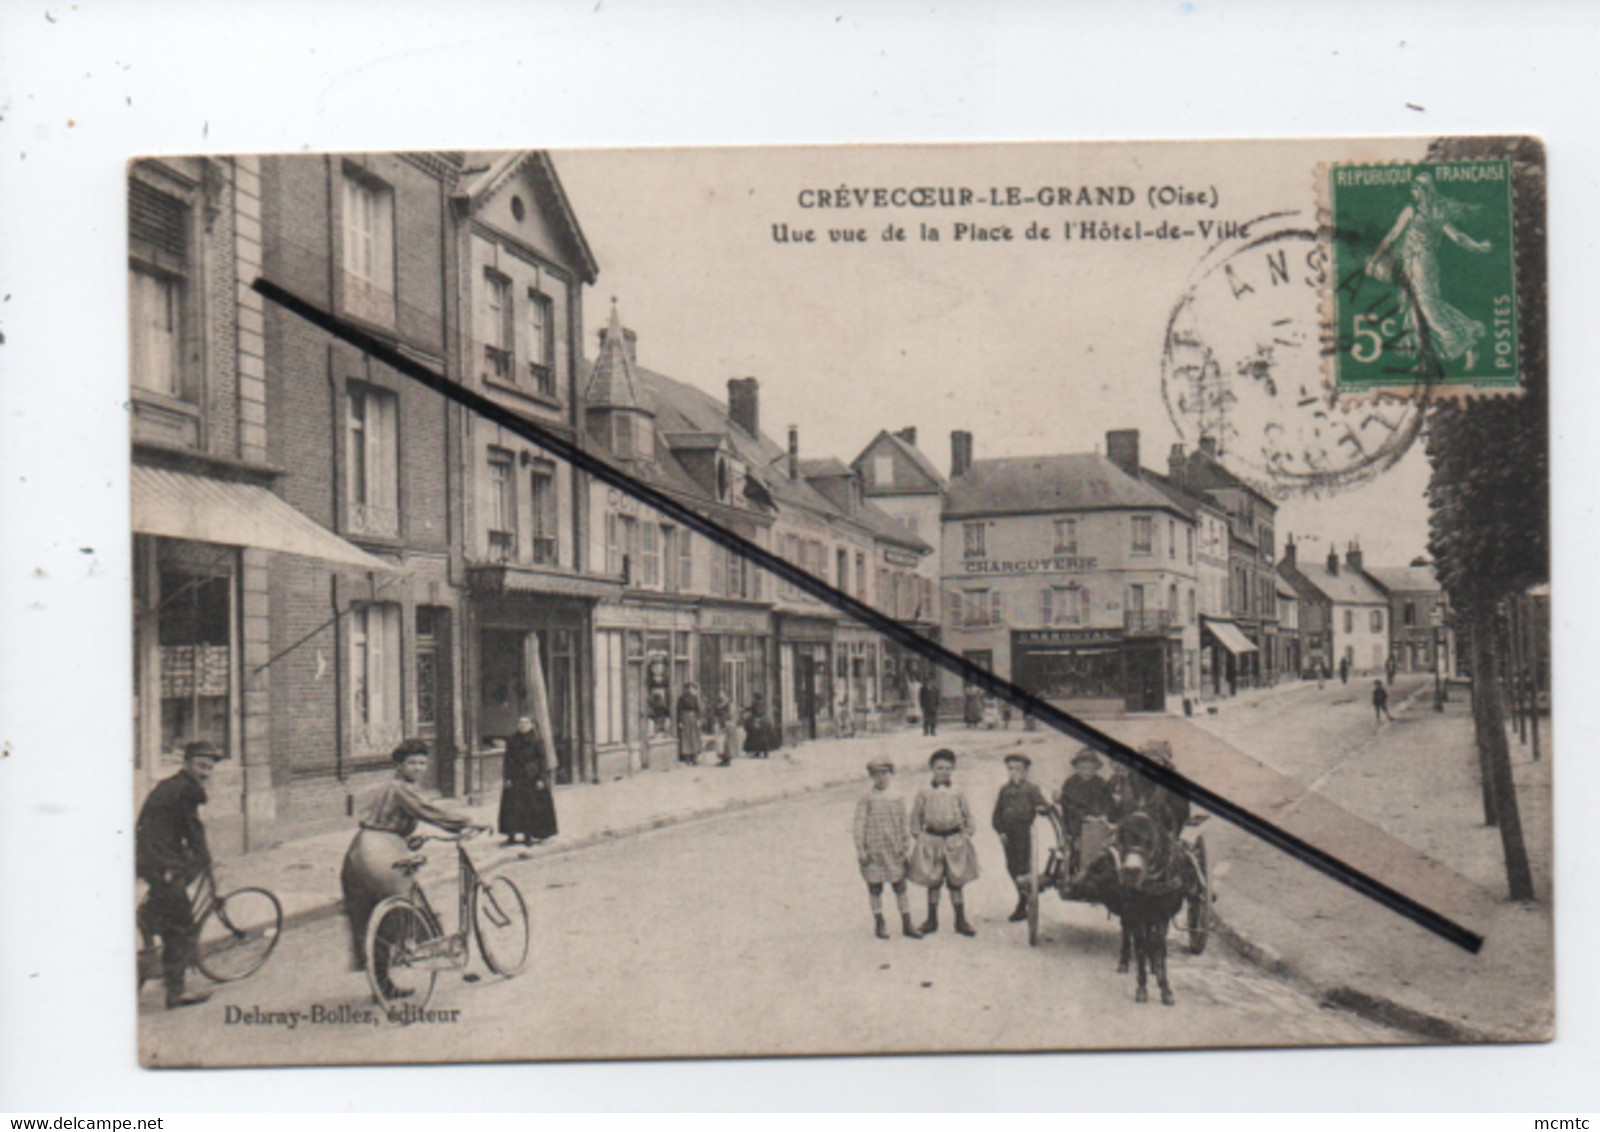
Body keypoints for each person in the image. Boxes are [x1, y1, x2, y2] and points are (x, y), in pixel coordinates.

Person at [341, 739, 479, 980]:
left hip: (360, 849)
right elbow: (429, 811)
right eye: (412, 763)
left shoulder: (386, 788)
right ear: (399, 765)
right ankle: (441, 956)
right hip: (382, 852)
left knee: (370, 917)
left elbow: (386, 821)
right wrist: (465, 822)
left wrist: (407, 838)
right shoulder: (402, 788)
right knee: (408, 908)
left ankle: (381, 985)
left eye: (423, 763)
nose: (418, 768)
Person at [1364, 171, 1493, 372]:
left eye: (1416, 187)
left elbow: (1457, 237)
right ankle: (1428, 359)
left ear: (1424, 191)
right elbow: (1393, 235)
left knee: (1428, 308)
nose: (1413, 191)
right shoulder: (1423, 211)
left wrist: (1477, 246)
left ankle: (1465, 342)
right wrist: (1376, 256)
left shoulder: (1432, 213)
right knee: (1416, 311)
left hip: (1423, 265)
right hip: (1410, 264)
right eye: (1413, 187)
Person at [136, 740, 224, 1009]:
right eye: (200, 766)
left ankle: (151, 924)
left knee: (167, 908)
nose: (205, 773)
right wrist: (206, 860)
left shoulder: (173, 786)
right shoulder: (184, 791)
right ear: (186, 763)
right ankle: (175, 993)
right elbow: (194, 831)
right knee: (182, 925)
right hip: (160, 863)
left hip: (151, 857)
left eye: (209, 768)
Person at [908, 749, 980, 937]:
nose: (944, 772)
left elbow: (968, 816)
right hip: (931, 841)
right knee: (933, 880)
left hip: (954, 840)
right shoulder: (924, 792)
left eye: (948, 768)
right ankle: (931, 920)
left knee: (956, 881)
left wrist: (966, 834)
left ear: (953, 770)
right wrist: (919, 836)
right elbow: (915, 817)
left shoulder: (958, 792)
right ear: (932, 769)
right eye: (940, 768)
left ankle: (960, 920)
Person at [852, 758, 922, 940]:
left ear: (890, 774)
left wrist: (906, 846)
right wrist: (861, 849)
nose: (881, 778)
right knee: (875, 887)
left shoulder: (897, 797)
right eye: (876, 774)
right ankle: (879, 921)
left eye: (884, 773)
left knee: (900, 886)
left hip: (894, 850)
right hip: (873, 850)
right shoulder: (866, 798)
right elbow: (859, 824)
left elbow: (904, 822)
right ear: (871, 776)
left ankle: (907, 922)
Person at [992, 753, 1051, 923]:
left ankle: (1023, 903)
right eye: (1010, 769)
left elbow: (1044, 806)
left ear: (1026, 771)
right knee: (1011, 867)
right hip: (1008, 834)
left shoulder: (1031, 789)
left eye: (1018, 769)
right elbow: (996, 815)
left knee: (1023, 867)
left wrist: (1041, 808)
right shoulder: (1004, 790)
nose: (1013, 772)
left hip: (1023, 832)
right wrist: (1001, 831)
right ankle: (1024, 895)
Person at [498, 715, 557, 846]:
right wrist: (507, 777)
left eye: (526, 723)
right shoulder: (513, 740)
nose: (522, 725)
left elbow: (542, 761)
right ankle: (511, 835)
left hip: (531, 777)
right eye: (520, 723)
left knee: (530, 807)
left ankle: (528, 835)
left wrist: (541, 779)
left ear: (531, 725)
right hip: (516, 777)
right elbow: (508, 760)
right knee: (512, 808)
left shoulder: (537, 740)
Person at [1057, 747, 1115, 874]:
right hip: (1076, 822)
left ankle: (1102, 867)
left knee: (1106, 837)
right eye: (1083, 768)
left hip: (1098, 823)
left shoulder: (1100, 783)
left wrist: (1104, 815)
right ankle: (1079, 867)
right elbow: (1069, 805)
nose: (1087, 772)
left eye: (1091, 769)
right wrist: (1084, 816)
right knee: (1081, 840)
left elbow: (1108, 802)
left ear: (1096, 769)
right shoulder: (1071, 783)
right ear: (1076, 768)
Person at [741, 694, 776, 758]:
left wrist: (746, 710)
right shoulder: (762, 704)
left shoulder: (755, 703)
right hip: (763, 719)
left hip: (757, 718)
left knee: (754, 735)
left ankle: (757, 751)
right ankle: (764, 752)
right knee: (764, 737)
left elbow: (754, 710)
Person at [675, 682, 703, 766]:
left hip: (693, 719)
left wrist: (699, 720)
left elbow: (698, 709)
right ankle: (687, 757)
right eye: (688, 688)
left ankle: (694, 756)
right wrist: (680, 721)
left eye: (691, 688)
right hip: (685, 719)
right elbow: (679, 711)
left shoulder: (695, 698)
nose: (689, 690)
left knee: (694, 737)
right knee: (686, 738)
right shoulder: (681, 699)